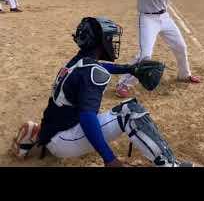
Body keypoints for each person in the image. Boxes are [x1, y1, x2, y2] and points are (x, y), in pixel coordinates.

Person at [11, 16, 192, 167]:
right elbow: (87, 118)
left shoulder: (77, 61)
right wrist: (109, 159)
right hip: (65, 140)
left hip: (54, 129)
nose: (112, 43)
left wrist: (128, 69)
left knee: (106, 111)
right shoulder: (91, 72)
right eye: (110, 39)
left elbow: (99, 66)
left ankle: (37, 133)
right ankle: (170, 165)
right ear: (100, 42)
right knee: (130, 112)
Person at [115, 0, 200, 98]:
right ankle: (123, 83)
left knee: (181, 47)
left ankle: (184, 74)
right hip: (148, 19)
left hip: (164, 17)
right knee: (145, 55)